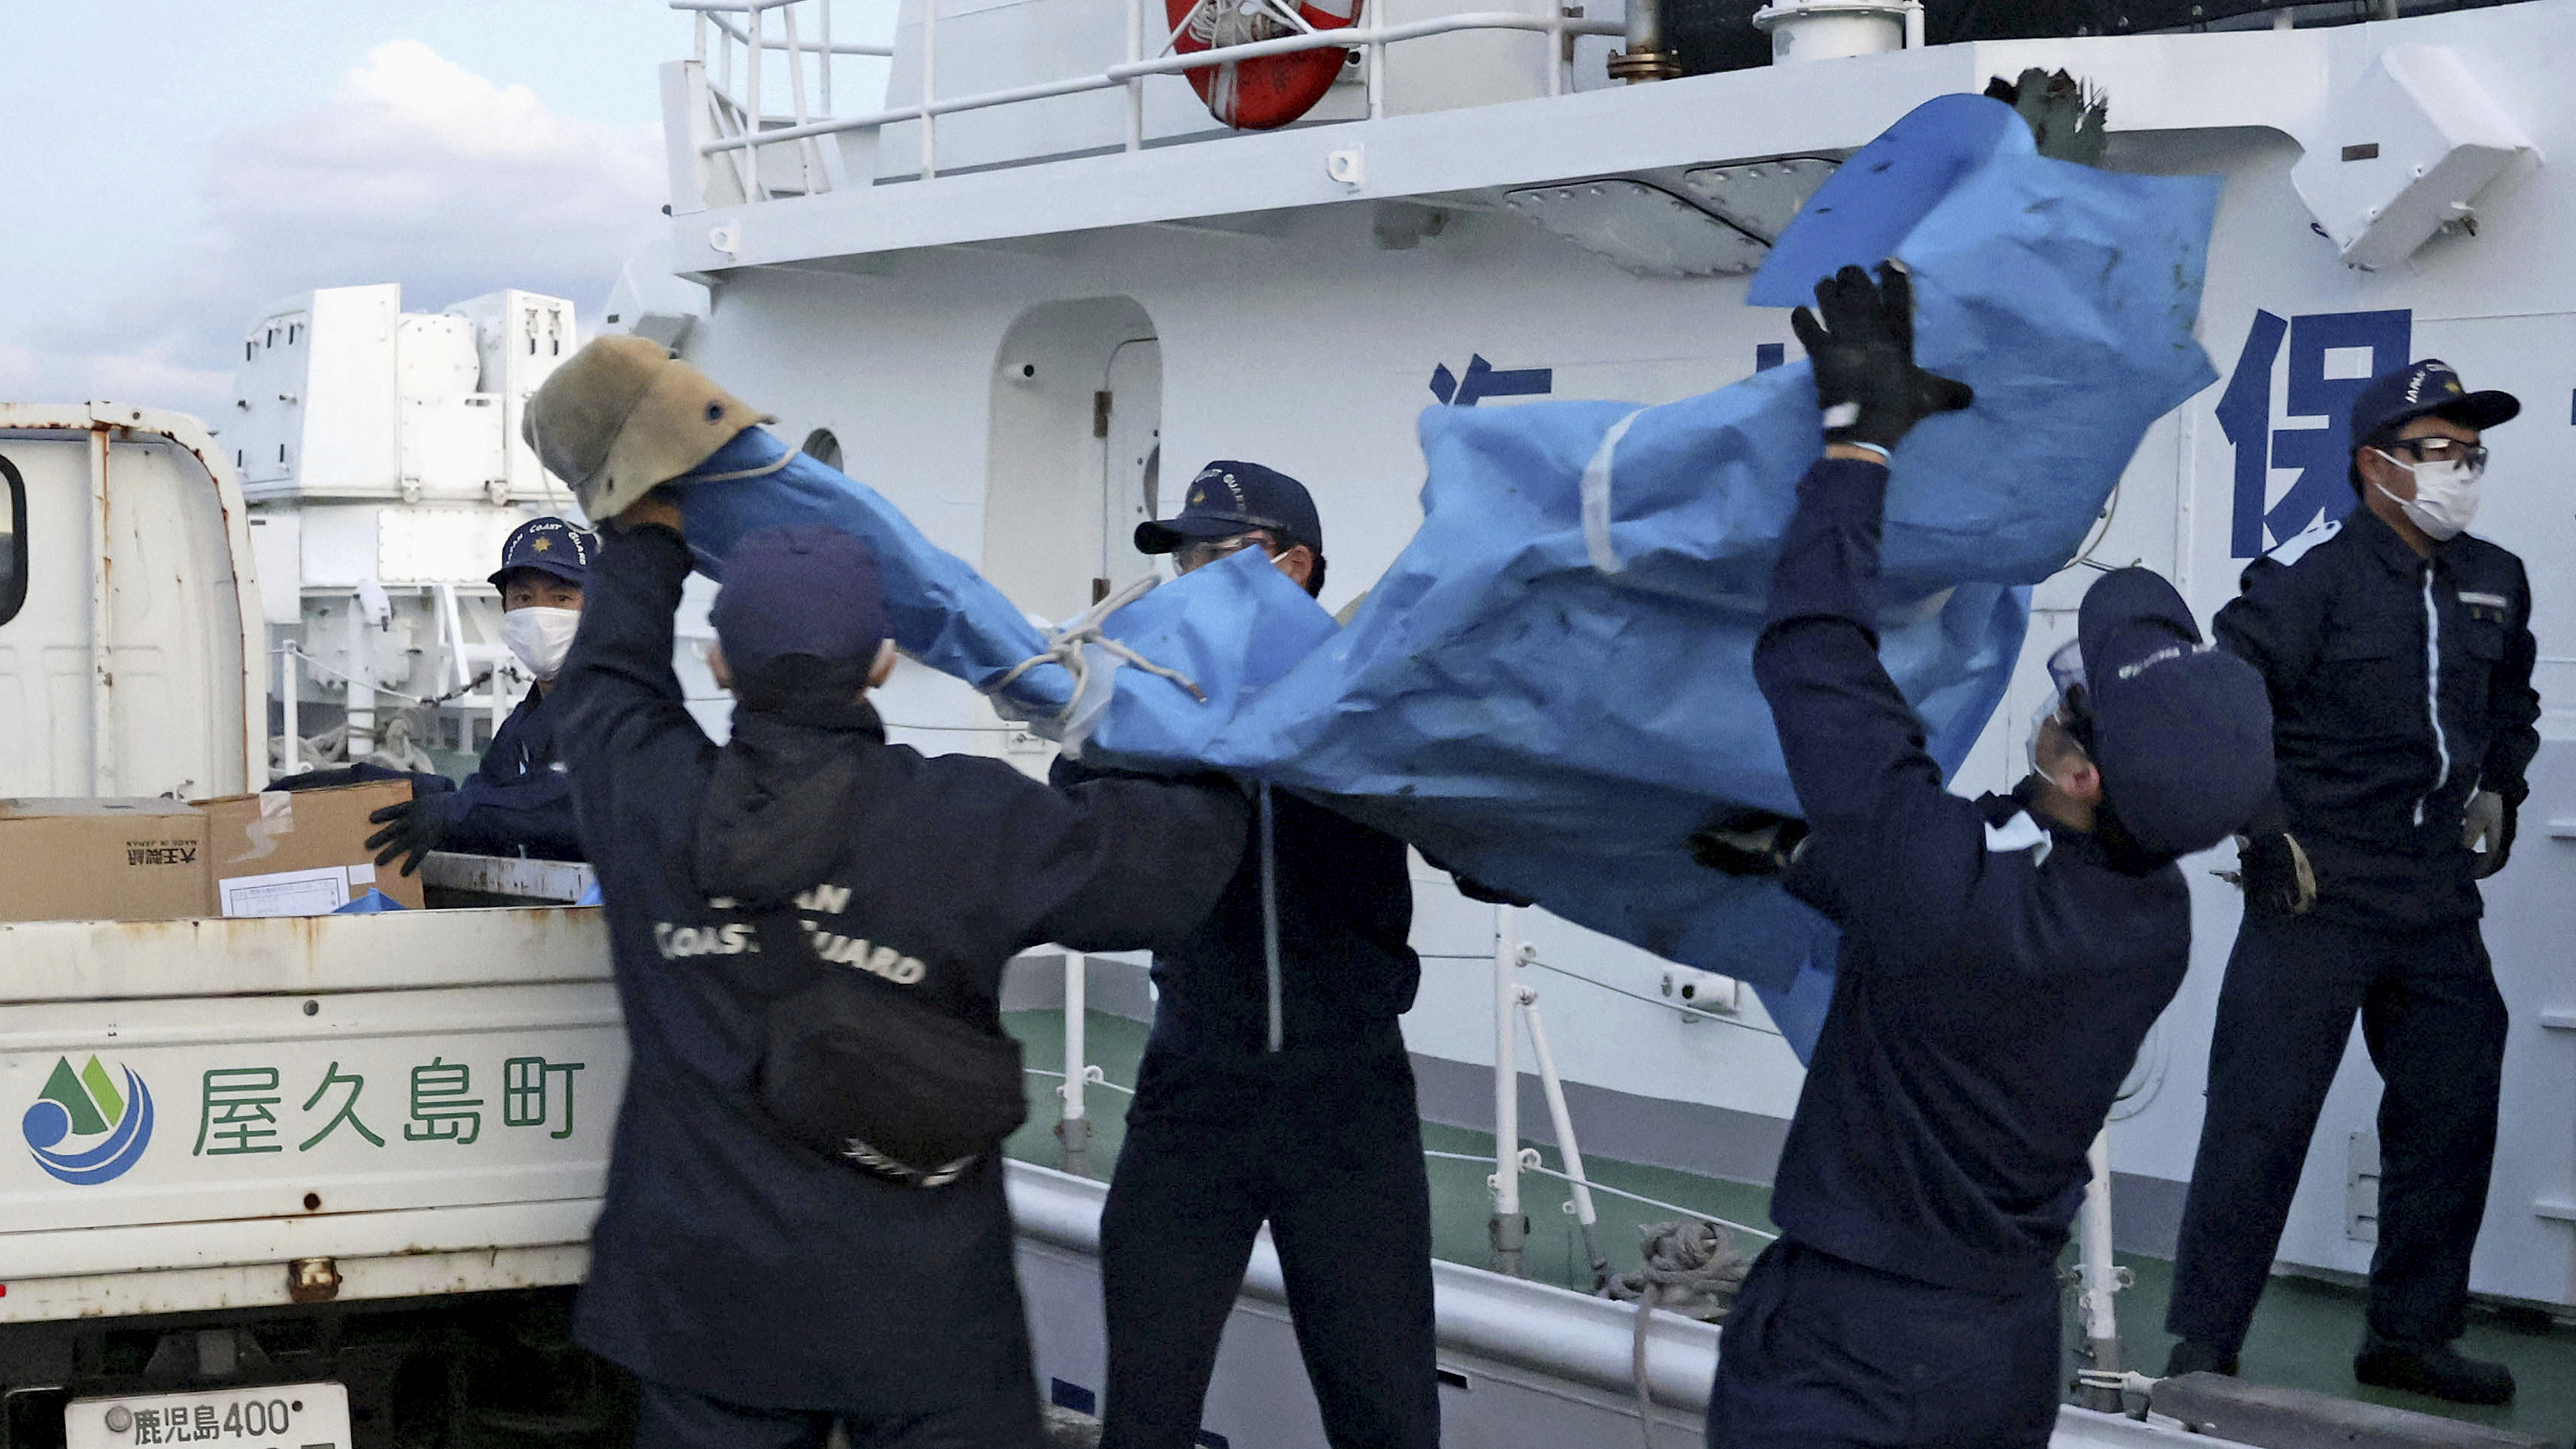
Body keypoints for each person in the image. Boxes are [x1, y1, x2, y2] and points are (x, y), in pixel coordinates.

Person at [540, 338, 1254, 1449]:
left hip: (703, 1310)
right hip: (926, 1317)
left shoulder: (645, 794)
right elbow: (1176, 863)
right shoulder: (968, 820)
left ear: (718, 663)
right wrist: (1119, 722)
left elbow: (607, 672)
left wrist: (651, 514)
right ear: (882, 657)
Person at [1698, 264, 2275, 1449]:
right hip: (2002, 1351)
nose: (2058, 696)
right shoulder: (2148, 916)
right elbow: (1952, 866)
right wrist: (1809, 855)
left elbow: (1815, 652)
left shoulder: (1941, 884)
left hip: (1849, 1353)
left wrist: (1858, 440)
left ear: (2082, 774)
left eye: (2074, 695)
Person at [2165, 359, 2539, 1405]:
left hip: (2429, 892)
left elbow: (2512, 696)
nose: (2457, 467)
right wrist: (2261, 829)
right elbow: (2226, 700)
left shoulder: (2493, 576)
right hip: (2314, 886)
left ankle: (2408, 1335)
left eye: (2468, 450)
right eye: (2434, 449)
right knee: (2258, 1115)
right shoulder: (2307, 573)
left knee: (2450, 1103)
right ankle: (2203, 1342)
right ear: (2372, 463)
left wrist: (2498, 784)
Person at [1060, 460, 1441, 1449]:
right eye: (1182, 559)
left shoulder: (1378, 701)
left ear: (1296, 566)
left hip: (1348, 1109)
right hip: (1191, 1095)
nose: (1190, 580)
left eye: (1216, 557)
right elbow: (1070, 847)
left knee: (1387, 1419)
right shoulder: (1147, 712)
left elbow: (1498, 856)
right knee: (1142, 1416)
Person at [360, 516, 597, 871]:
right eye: (524, 597)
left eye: (561, 598)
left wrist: (460, 811)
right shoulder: (523, 724)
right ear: (506, 608)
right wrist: (377, 790)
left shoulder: (620, 710)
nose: (539, 614)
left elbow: (573, 806)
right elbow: (491, 797)